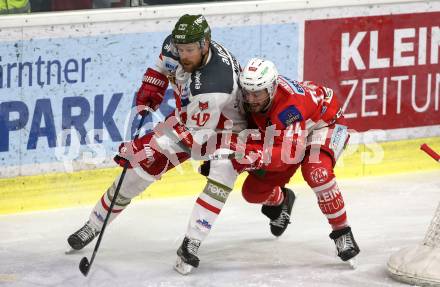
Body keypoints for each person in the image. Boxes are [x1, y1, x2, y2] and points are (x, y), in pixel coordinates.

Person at [67, 14, 247, 274]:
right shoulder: (175, 47)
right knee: (137, 172)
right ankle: (94, 224)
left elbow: (194, 143)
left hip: (229, 129)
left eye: (190, 50)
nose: (183, 55)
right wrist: (153, 86)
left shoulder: (213, 85)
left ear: (205, 44)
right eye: (181, 48)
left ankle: (192, 242)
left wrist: (146, 148)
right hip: (191, 120)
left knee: (222, 172)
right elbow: (161, 67)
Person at [230, 58, 360, 263]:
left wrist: (248, 157)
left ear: (272, 89)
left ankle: (342, 232)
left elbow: (287, 156)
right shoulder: (247, 98)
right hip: (288, 134)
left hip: (325, 124)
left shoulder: (289, 108)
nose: (251, 99)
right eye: (247, 92)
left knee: (317, 173)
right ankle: (282, 201)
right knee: (252, 193)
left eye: (257, 93)